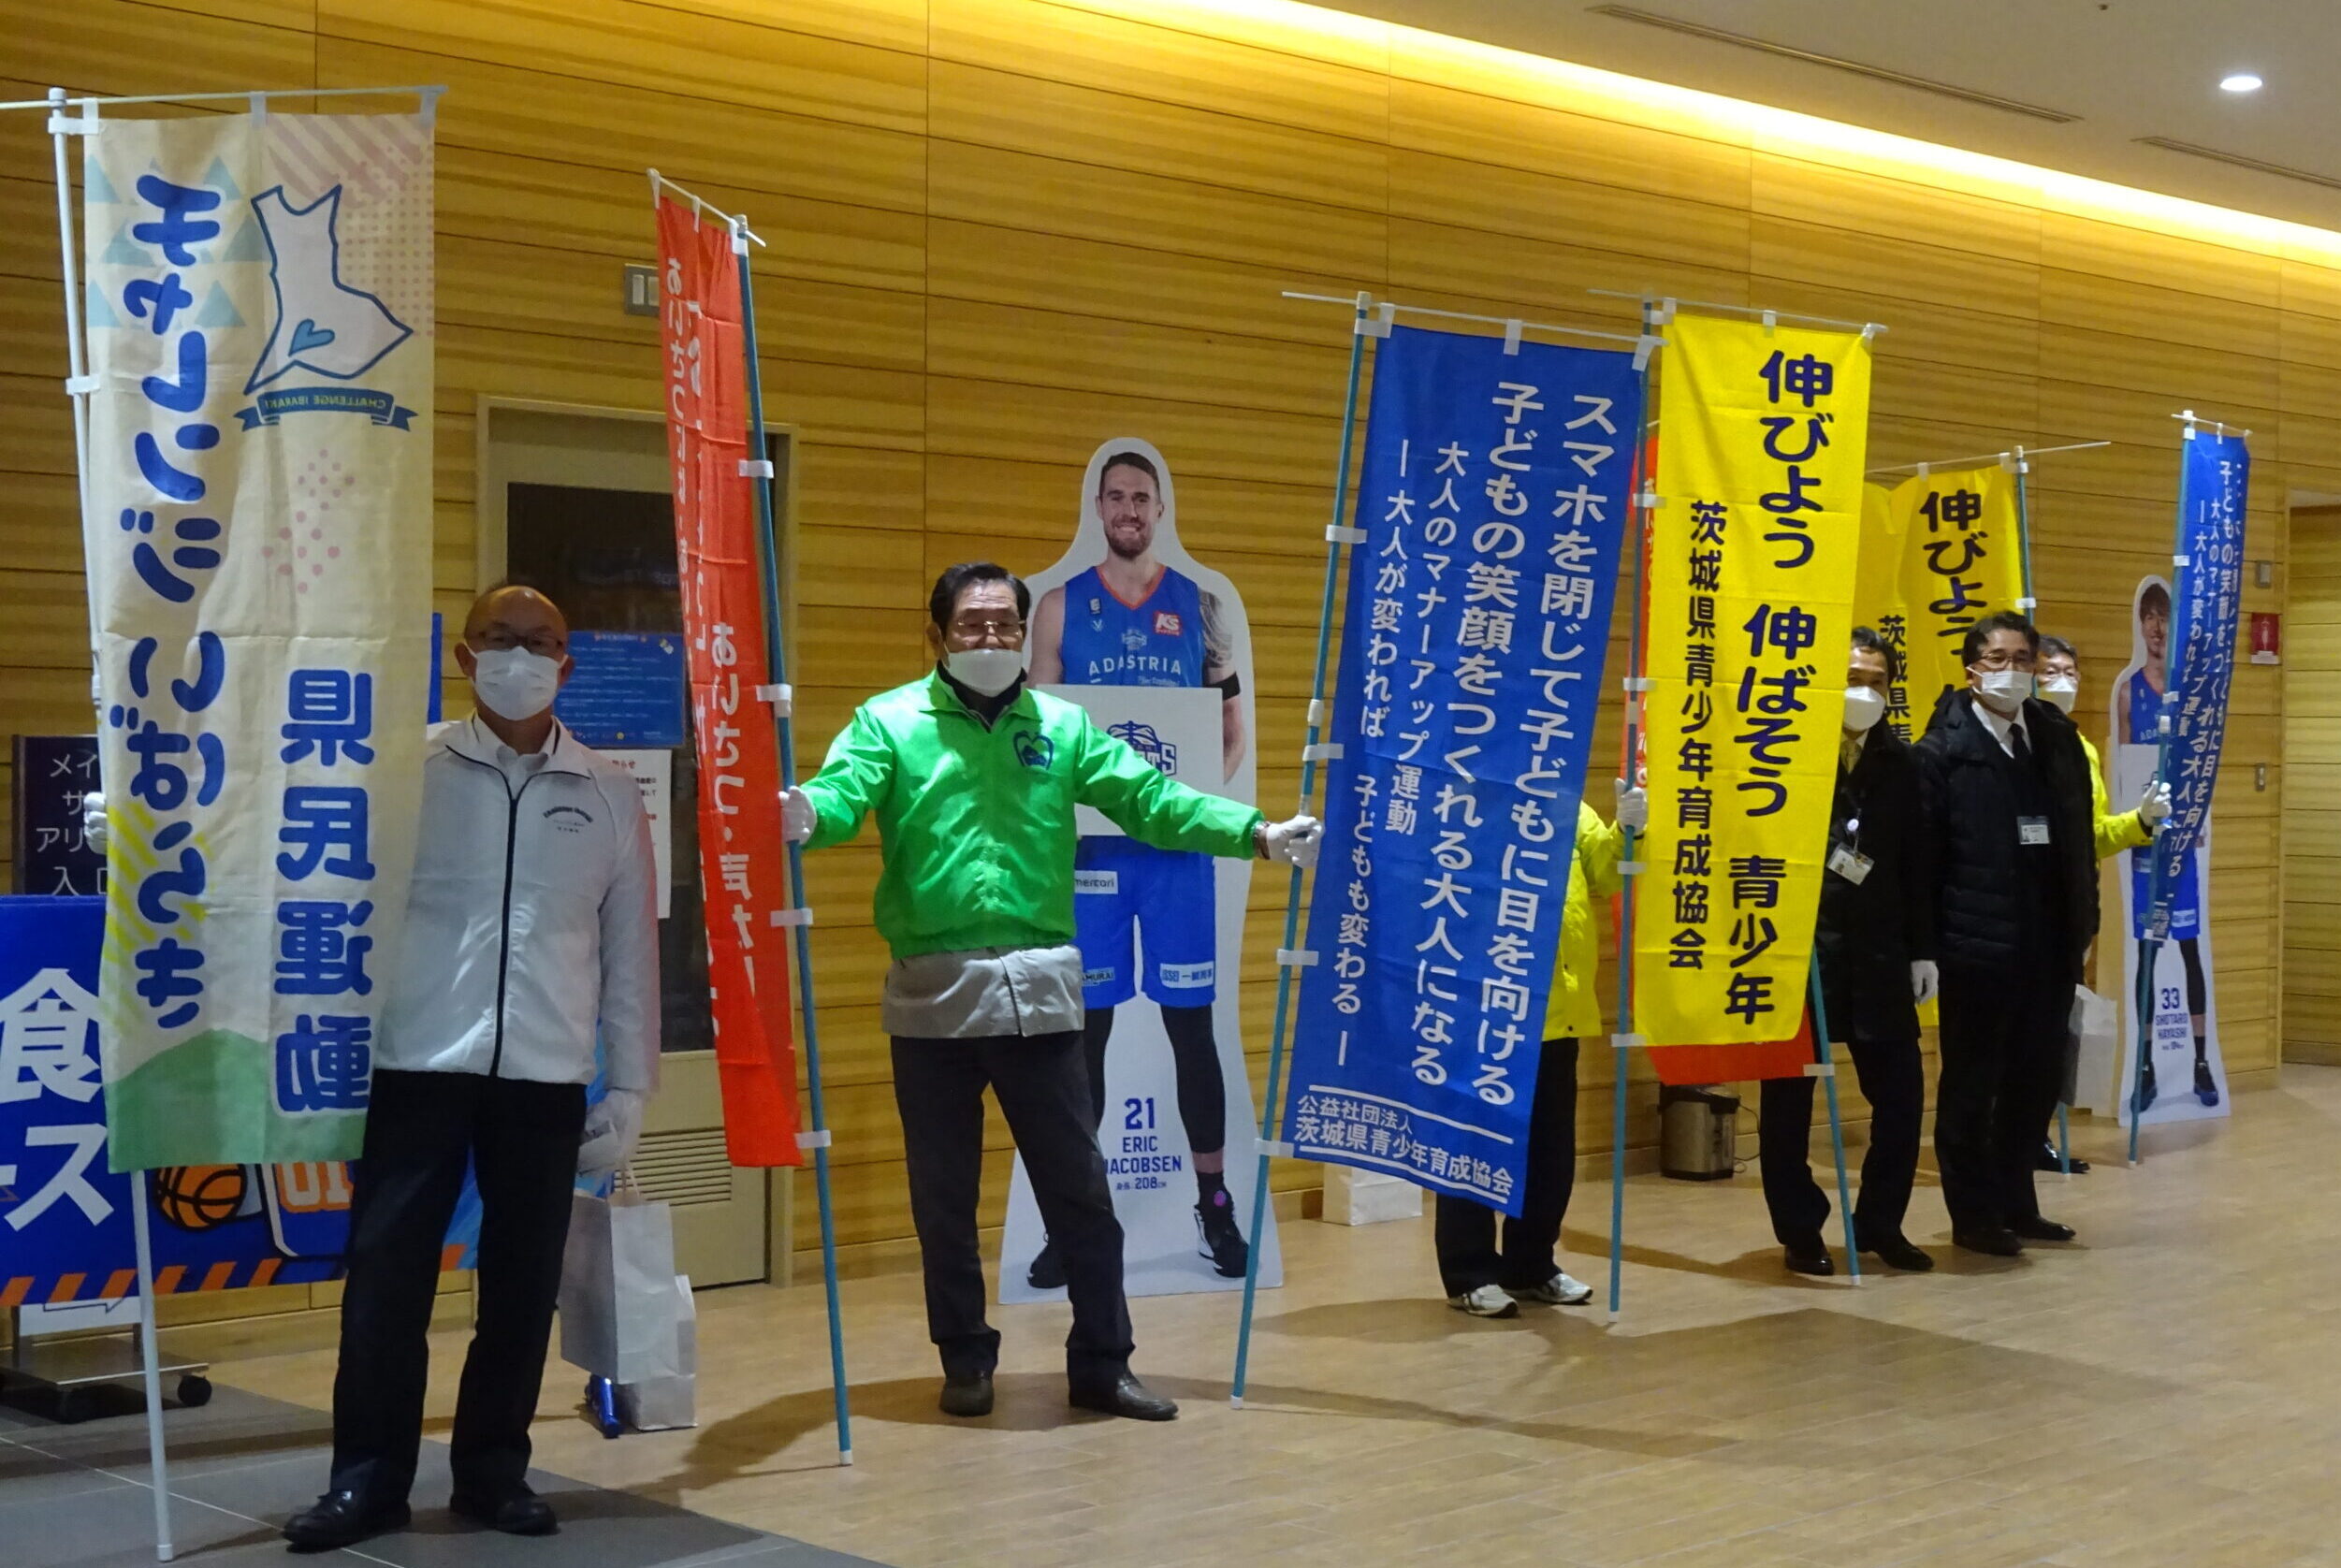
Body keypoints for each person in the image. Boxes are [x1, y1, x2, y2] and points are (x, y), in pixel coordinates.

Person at [786, 562, 1319, 1422]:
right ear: (938, 634)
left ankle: (1103, 1364)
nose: (990, 637)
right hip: (933, 998)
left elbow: (1151, 801)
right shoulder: (889, 722)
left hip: (1038, 991)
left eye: (1005, 623)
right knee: (943, 1202)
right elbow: (842, 792)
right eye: (973, 623)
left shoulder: (1063, 726)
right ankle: (965, 1358)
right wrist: (808, 814)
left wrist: (1254, 832)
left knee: (1081, 1194)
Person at [286, 584, 660, 1552]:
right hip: (416, 1063)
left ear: (567, 665)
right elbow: (321, 888)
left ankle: (493, 1472)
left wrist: (630, 1085)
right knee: (386, 1285)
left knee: (522, 1289)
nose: (520, 657)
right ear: (464, 656)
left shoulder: (608, 792)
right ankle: (366, 1480)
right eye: (500, 638)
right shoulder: (402, 770)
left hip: (545, 1075)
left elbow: (630, 952)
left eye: (541, 643)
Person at [1025, 449, 1254, 1285]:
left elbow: (1230, 728)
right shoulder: (1059, 608)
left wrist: (1193, 799)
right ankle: (1075, 1223)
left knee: (1193, 1031)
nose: (1128, 509)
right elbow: (1036, 736)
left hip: (1176, 860)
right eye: (1116, 497)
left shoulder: (1200, 605)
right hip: (1090, 857)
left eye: (1141, 498)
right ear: (1098, 506)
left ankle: (1215, 1206)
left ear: (1160, 509)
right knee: (1084, 1038)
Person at [1914, 611, 2097, 1257]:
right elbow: (1922, 862)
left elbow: (2078, 839)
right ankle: (1974, 1216)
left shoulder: (2054, 736)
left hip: (2048, 944)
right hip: (1976, 946)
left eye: (2023, 659)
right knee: (1973, 1087)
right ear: (1972, 670)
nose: (2012, 671)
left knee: (2034, 1082)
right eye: (1998, 659)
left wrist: (2084, 923)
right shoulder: (1941, 752)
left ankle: (2020, 1203)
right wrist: (1924, 948)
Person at [1758, 629, 1937, 1277]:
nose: (1864, 692)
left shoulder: (1904, 764)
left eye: (1876, 682)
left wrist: (1923, 951)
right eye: (1852, 679)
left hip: (1880, 954)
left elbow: (1920, 865)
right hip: (1802, 954)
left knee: (1903, 1100)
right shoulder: (1787, 755)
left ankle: (1880, 1222)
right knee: (1787, 1105)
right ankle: (1800, 1230)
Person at [1440, 784, 1638, 1316]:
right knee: (1473, 1146)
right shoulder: (1464, 801)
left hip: (1557, 1007)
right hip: (1484, 1011)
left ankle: (1530, 1266)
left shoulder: (1566, 803)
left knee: (1549, 1154)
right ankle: (1468, 1272)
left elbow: (1607, 873)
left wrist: (1628, 828)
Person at [2033, 635, 2173, 1169]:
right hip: (2019, 914)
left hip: (2071, 915)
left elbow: (2091, 835)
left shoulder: (2082, 750)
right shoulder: (2014, 748)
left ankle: (2035, 1136)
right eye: (2050, 671)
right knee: (2010, 1037)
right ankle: (1996, 1144)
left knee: (2053, 1034)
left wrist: (2140, 822)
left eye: (2071, 671)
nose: (2062, 681)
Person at [2112, 588, 2215, 1109]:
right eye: (2148, 617)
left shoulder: (2189, 691)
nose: (2156, 627)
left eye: (2163, 618)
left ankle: (2200, 1064)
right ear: (2140, 624)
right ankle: (2146, 1068)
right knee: (2148, 955)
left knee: (2190, 950)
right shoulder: (2129, 691)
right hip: (2146, 842)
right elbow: (2126, 768)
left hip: (2185, 843)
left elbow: (2202, 763)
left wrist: (2195, 817)